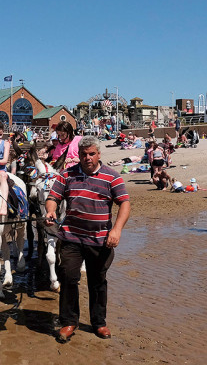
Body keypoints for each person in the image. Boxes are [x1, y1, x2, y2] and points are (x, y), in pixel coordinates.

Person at [45, 135, 131, 343]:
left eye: (92, 154)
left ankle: (99, 322)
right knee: (67, 277)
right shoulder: (67, 175)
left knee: (98, 281)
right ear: (79, 155)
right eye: (84, 154)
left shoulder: (112, 177)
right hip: (71, 237)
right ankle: (68, 322)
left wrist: (117, 230)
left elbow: (125, 204)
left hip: (100, 240)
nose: (88, 158)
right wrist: (51, 211)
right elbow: (53, 197)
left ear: (99, 154)